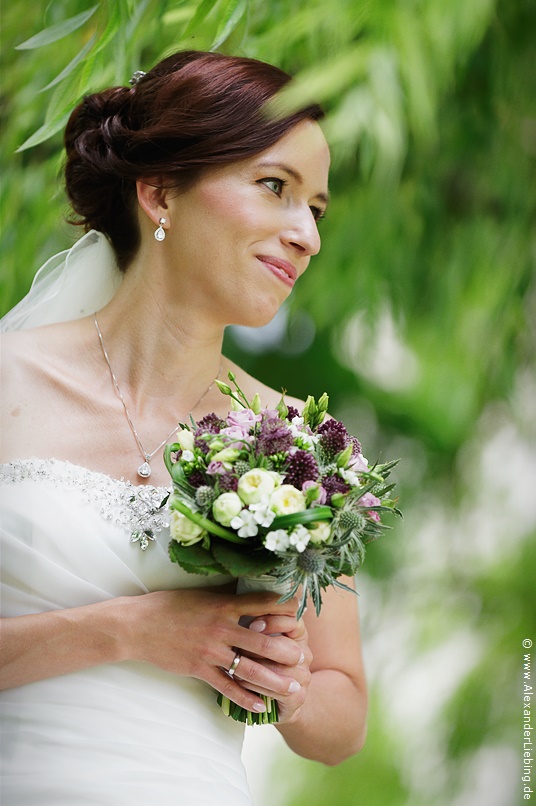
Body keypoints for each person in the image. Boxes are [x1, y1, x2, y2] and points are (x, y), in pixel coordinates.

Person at [0, 50, 367, 805]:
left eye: (317, 209)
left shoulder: (303, 444)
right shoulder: (8, 379)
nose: (308, 237)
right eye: (276, 187)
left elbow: (344, 713)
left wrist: (288, 685)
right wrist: (132, 632)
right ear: (161, 190)